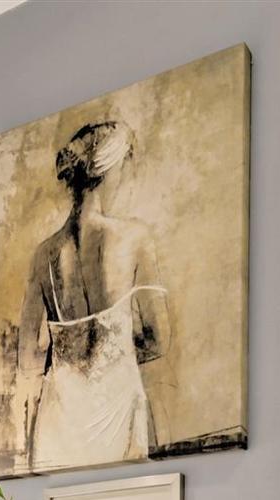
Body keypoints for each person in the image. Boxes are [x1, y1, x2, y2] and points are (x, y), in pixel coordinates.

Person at [11, 118, 170, 471]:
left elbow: (26, 358)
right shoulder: (136, 239)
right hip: (118, 408)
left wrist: (70, 356)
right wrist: (111, 355)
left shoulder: (44, 254)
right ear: (113, 168)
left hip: (58, 420)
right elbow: (159, 340)